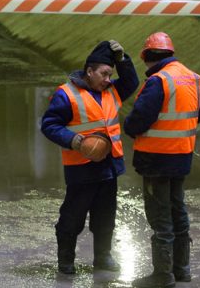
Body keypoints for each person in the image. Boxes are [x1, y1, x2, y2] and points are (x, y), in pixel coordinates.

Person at [42, 40, 138, 274]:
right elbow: (49, 124)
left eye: (110, 74)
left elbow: (132, 82)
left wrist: (122, 60)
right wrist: (74, 141)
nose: (108, 79)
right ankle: (66, 261)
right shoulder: (67, 95)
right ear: (89, 71)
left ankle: (103, 257)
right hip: (81, 168)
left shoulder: (111, 91)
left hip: (109, 166)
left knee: (105, 217)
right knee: (72, 217)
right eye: (104, 74)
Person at [124, 32, 200, 288]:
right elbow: (199, 114)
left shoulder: (159, 81)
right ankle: (182, 270)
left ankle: (163, 275)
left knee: (160, 215)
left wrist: (130, 126)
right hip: (182, 155)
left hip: (156, 158)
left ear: (147, 57)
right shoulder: (193, 78)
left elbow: (137, 121)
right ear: (171, 53)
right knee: (177, 208)